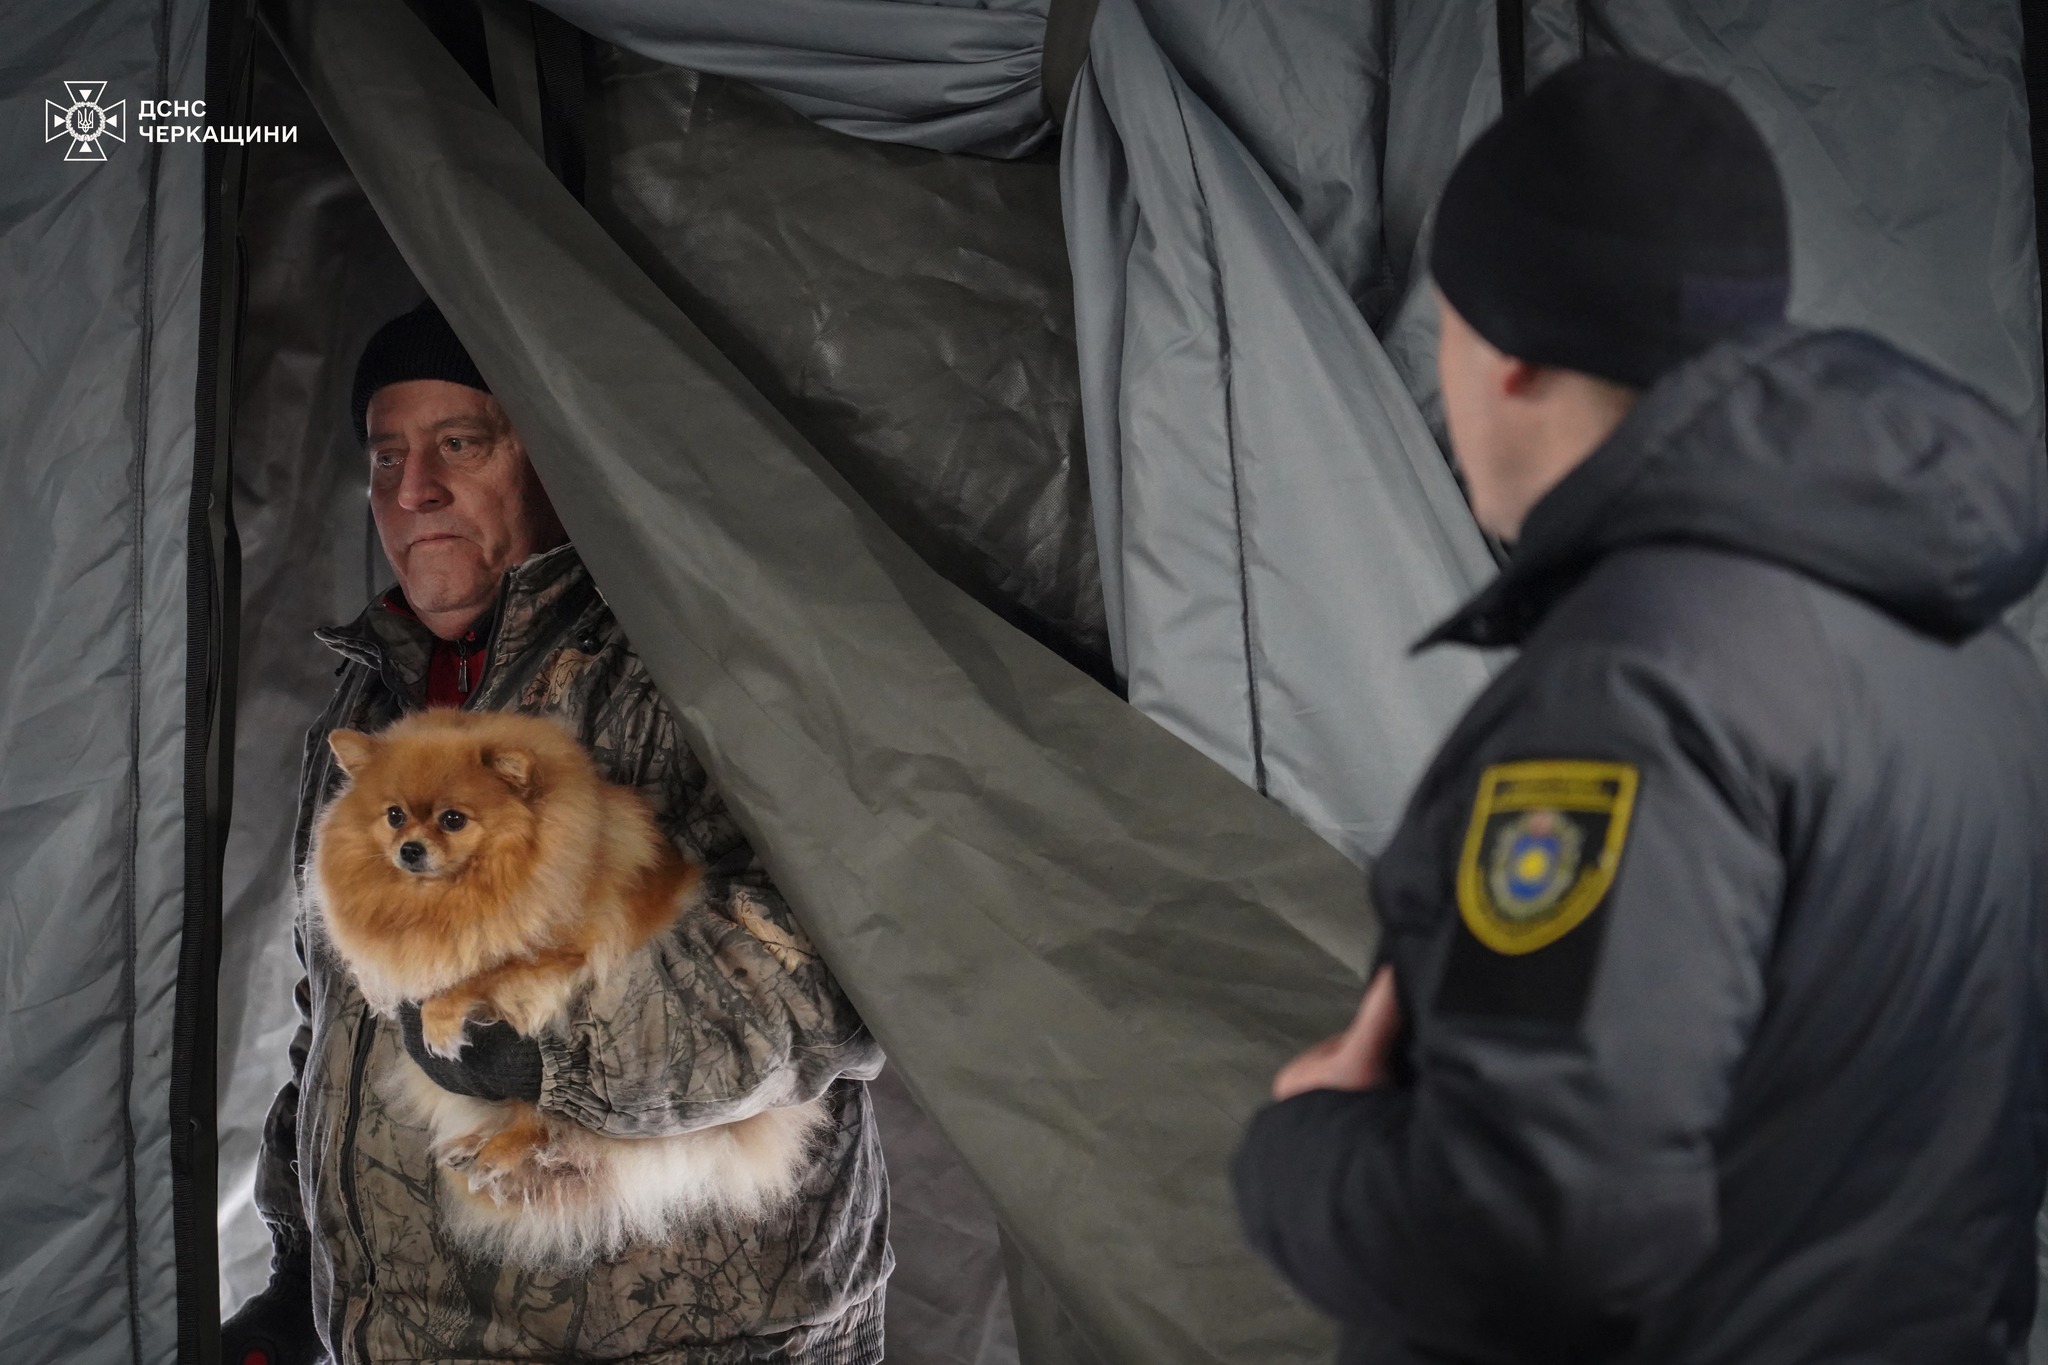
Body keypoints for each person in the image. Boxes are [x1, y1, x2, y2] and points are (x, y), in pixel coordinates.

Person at [1233, 56, 2048, 1363]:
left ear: (1503, 354)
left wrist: (1303, 1146)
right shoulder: (1977, 668)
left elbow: (1541, 1231)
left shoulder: (1632, 697)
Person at [220, 300, 891, 1365]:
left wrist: (539, 1046)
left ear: (548, 450)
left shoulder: (694, 665)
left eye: (458, 445)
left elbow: (836, 988)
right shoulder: (368, 711)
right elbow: (339, 1021)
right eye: (384, 455)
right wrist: (301, 1276)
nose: (413, 490)